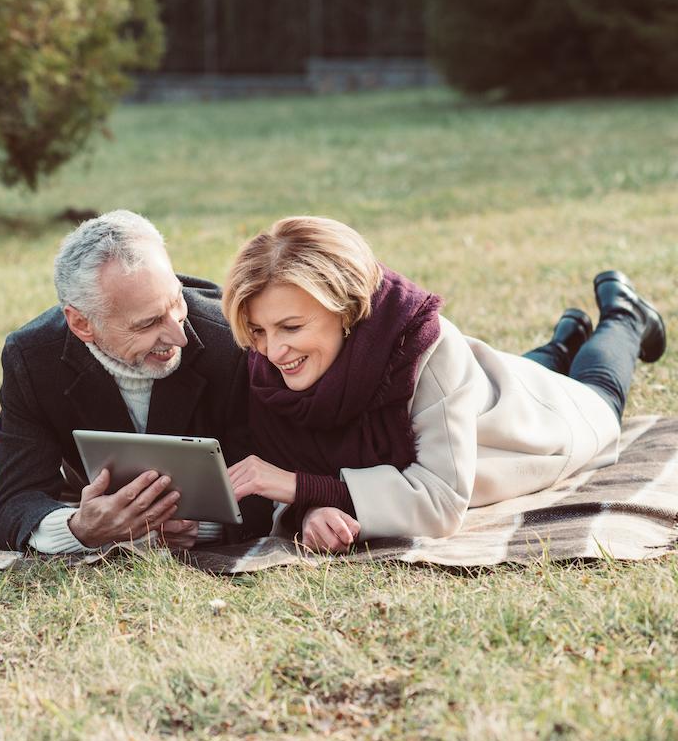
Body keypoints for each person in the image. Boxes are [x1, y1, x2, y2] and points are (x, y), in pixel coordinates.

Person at [221, 216, 666, 552]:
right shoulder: (268, 371)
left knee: (598, 391)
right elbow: (305, 478)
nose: (273, 351)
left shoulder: (420, 349)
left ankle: (625, 315)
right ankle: (563, 338)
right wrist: (314, 510)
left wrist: (303, 489)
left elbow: (438, 503)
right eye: (258, 331)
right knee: (525, 367)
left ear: (346, 309)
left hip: (537, 421)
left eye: (292, 327)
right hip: (483, 383)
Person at [0, 210, 273, 553]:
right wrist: (79, 528)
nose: (178, 335)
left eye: (176, 301)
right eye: (148, 323)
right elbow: (14, 504)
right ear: (81, 324)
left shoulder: (231, 340)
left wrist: (200, 528)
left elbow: (268, 482)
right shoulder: (32, 358)